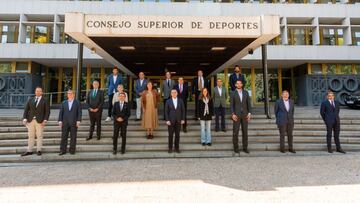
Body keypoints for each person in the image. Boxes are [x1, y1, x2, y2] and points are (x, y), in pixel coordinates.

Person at [21, 87, 50, 156]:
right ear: (35, 92)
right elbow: (26, 110)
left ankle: (39, 150)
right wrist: (24, 118)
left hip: (40, 121)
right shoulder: (30, 99)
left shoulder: (45, 100)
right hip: (30, 120)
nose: (38, 92)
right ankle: (29, 150)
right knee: (31, 136)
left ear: (42, 92)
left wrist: (45, 120)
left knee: (39, 135)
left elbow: (47, 111)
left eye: (40, 91)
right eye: (37, 91)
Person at [230, 80, 251, 154]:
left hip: (245, 115)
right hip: (236, 115)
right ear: (235, 85)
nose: (239, 85)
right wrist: (232, 114)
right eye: (237, 83)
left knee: (245, 132)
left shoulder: (246, 92)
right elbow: (231, 105)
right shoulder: (232, 93)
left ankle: (245, 148)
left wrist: (249, 113)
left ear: (242, 84)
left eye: (240, 83)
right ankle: (236, 148)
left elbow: (249, 103)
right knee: (235, 132)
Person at [58, 90, 82, 155]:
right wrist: (60, 121)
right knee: (64, 137)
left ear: (74, 94)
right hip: (65, 123)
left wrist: (78, 121)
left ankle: (72, 150)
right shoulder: (63, 103)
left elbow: (79, 112)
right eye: (68, 93)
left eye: (71, 93)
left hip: (74, 123)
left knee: (73, 137)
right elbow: (61, 113)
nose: (69, 95)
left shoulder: (77, 103)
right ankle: (63, 150)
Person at [165, 89, 185, 153]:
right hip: (170, 121)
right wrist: (167, 120)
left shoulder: (181, 101)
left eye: (175, 92)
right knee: (170, 135)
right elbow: (166, 111)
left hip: (178, 121)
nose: (174, 93)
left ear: (177, 93)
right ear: (171, 94)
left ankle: (177, 148)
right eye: (172, 92)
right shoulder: (168, 101)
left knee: (177, 135)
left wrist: (183, 119)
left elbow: (183, 111)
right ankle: (170, 148)